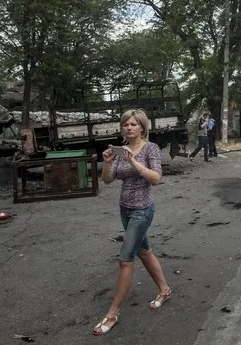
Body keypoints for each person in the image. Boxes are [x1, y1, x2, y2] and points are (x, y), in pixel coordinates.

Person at [93, 109, 171, 335]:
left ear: (142, 127)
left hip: (142, 210)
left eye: (133, 124)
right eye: (125, 124)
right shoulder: (119, 150)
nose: (129, 128)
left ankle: (112, 312)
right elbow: (108, 180)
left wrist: (133, 161)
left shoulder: (151, 149)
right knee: (144, 250)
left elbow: (156, 178)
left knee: (126, 259)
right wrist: (107, 162)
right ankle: (165, 289)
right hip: (124, 209)